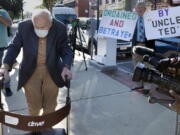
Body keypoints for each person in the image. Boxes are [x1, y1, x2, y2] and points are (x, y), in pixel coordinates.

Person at [0, 9, 73, 116]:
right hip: (30, 70)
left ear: (51, 23)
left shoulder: (60, 28)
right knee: (34, 106)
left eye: (42, 27)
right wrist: (5, 66)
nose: (39, 30)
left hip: (52, 70)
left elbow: (65, 49)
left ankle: (48, 129)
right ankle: (35, 128)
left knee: (50, 105)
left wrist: (66, 67)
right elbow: (14, 47)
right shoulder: (24, 27)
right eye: (36, 27)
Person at [131, 2, 155, 95]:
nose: (139, 9)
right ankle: (138, 84)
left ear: (145, 9)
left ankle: (147, 87)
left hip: (147, 46)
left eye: (141, 7)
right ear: (135, 9)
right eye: (138, 7)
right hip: (136, 46)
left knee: (147, 66)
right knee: (136, 65)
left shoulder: (151, 19)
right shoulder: (132, 20)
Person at [0, 5, 13, 97]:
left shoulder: (3, 12)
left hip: (1, 46)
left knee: (4, 69)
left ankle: (7, 87)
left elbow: (9, 23)